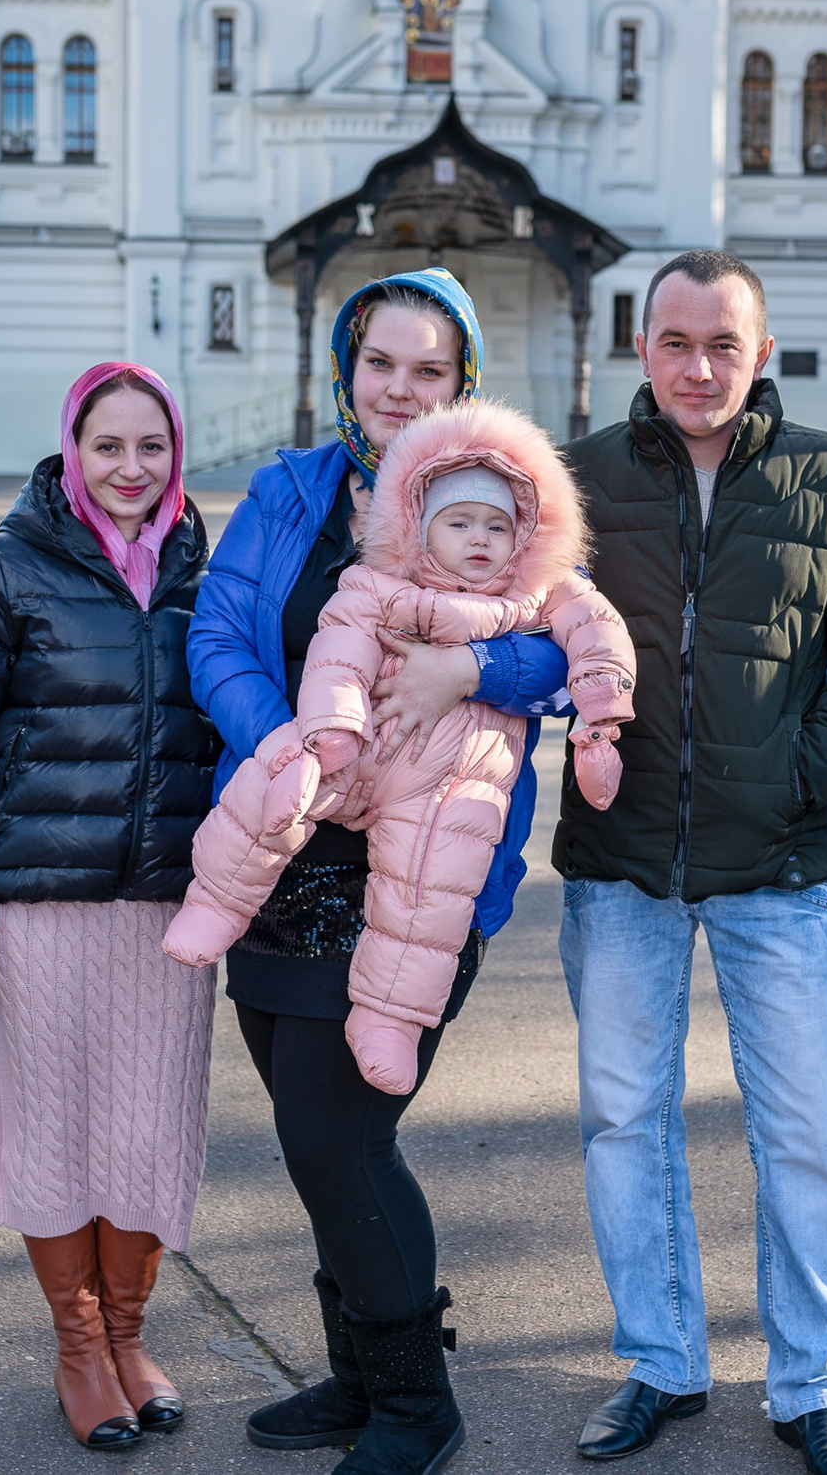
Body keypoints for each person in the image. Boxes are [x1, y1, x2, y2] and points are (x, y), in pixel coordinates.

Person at [185, 269, 572, 1475]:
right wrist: (290, 740)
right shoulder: (291, 490)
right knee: (314, 1140)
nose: (403, 391)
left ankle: (416, 1404)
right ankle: (357, 1376)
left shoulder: (501, 499)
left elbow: (569, 648)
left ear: (464, 384)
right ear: (345, 372)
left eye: (430, 370)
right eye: (382, 365)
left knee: (343, 1139)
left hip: (419, 872)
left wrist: (472, 675)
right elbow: (216, 630)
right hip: (282, 846)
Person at [552, 249, 827, 1475]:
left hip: (776, 863)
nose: (698, 366)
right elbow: (516, 616)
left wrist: (804, 769)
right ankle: (659, 1363)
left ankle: (810, 1382)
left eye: (723, 343)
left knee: (807, 1130)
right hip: (621, 860)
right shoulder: (584, 480)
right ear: (641, 348)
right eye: (674, 341)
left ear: (758, 352)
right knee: (623, 1118)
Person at [0, 362, 222, 1453]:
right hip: (33, 907)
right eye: (108, 446)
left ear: (176, 454)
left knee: (147, 1133)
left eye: (152, 447)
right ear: (70, 454)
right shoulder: (0, 572)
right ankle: (79, 1347)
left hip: (167, 913)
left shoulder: (201, 574)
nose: (131, 468)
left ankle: (131, 1333)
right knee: (52, 1135)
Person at [166, 397, 636, 1096]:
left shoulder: (542, 592)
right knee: (274, 786)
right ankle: (216, 903)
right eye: (459, 523)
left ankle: (388, 1018)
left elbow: (599, 635)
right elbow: (339, 650)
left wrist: (601, 714)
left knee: (426, 893)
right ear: (421, 528)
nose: (479, 539)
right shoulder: (381, 582)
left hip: (449, 778)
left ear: (525, 536)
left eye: (497, 527)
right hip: (356, 744)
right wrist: (330, 725)